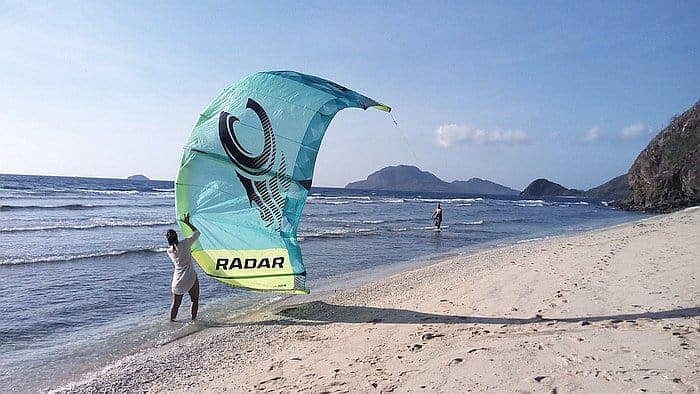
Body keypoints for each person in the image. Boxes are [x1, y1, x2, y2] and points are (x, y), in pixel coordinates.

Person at [165, 213, 200, 321]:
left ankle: (171, 322)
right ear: (176, 236)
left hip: (178, 279)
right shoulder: (185, 243)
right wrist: (187, 223)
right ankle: (193, 321)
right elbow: (197, 233)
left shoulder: (169, 251)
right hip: (190, 276)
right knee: (194, 300)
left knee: (175, 305)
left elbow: (177, 249)